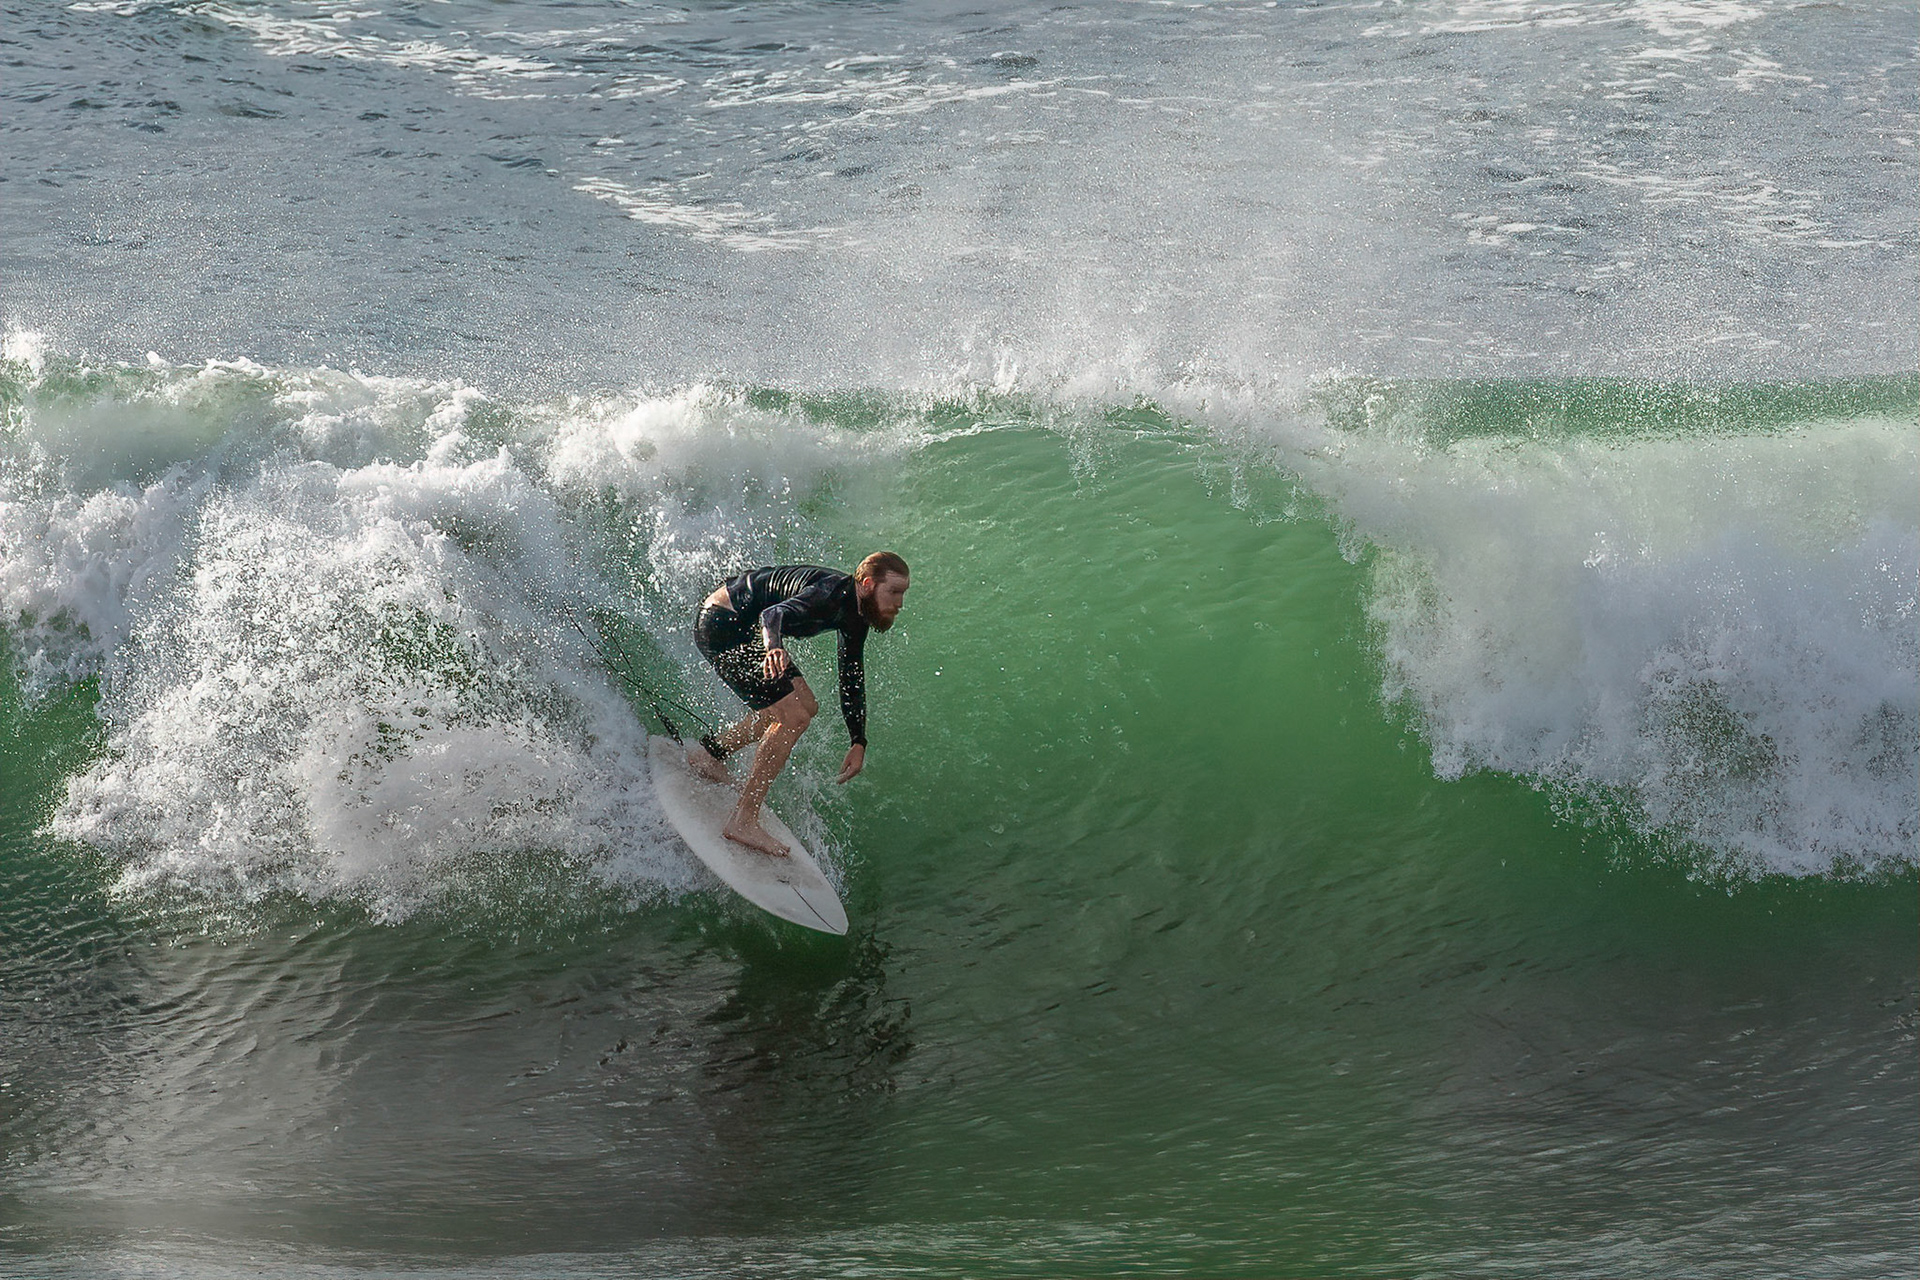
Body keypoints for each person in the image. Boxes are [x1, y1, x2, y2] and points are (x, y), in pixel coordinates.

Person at [688, 552, 910, 856]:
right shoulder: (830, 596)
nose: (899, 603)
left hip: (743, 626)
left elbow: (852, 677)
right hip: (723, 625)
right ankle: (743, 821)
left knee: (806, 706)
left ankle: (711, 755)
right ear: (869, 584)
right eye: (894, 592)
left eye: (903, 593)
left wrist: (858, 740)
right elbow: (772, 615)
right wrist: (774, 647)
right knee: (793, 717)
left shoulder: (857, 614)